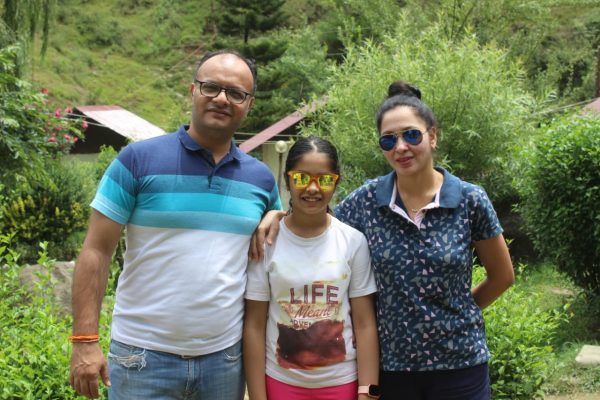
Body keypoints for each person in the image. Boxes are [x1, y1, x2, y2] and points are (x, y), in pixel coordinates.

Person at [252, 81, 515, 399]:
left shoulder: (470, 199)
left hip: (460, 363)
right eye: (389, 140)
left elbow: (502, 276)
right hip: (392, 368)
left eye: (412, 135)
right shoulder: (366, 201)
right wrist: (276, 216)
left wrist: (458, 315)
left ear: (433, 136)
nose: (401, 147)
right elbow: (317, 219)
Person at [69, 49, 281, 400]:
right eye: (211, 87)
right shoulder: (137, 160)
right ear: (193, 90)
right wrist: (84, 341)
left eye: (236, 93)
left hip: (224, 361)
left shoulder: (261, 180)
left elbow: (284, 248)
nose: (222, 99)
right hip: (141, 358)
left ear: (249, 104)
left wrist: (279, 214)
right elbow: (96, 250)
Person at [243, 136, 380, 400]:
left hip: (343, 384)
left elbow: (364, 324)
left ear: (336, 182)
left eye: (324, 179)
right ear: (287, 180)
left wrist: (367, 391)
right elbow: (254, 325)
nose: (313, 189)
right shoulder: (266, 241)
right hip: (281, 382)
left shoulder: (352, 241)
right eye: (302, 178)